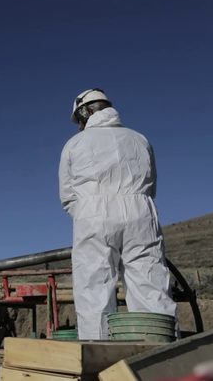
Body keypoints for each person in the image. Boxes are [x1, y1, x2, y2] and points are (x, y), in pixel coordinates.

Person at [58, 88, 178, 340]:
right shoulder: (139, 139)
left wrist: (85, 214)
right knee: (150, 281)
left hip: (92, 214)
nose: (79, 126)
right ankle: (159, 350)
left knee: (94, 286)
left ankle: (98, 354)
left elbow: (67, 195)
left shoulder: (74, 144)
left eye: (79, 120)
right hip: (141, 211)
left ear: (85, 112)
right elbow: (151, 184)